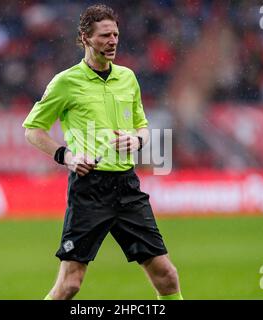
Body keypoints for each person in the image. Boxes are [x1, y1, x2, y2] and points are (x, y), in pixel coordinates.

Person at [23, 4, 183, 300]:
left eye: (116, 35)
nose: (113, 41)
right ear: (85, 38)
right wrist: (67, 156)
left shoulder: (128, 78)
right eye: (105, 35)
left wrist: (136, 141)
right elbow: (33, 130)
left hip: (127, 187)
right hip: (90, 189)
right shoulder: (65, 82)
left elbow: (143, 128)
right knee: (70, 285)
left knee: (167, 276)